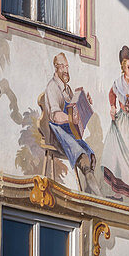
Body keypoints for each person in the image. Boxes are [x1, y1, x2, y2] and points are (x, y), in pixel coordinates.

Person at [99, 46, 129, 202]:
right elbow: (112, 94)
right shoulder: (118, 83)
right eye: (127, 67)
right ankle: (118, 194)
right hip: (121, 123)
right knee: (118, 156)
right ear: (122, 68)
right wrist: (112, 107)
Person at [42, 53, 96, 192]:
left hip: (68, 133)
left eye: (67, 66)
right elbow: (56, 116)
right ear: (56, 68)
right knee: (83, 159)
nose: (66, 70)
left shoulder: (68, 89)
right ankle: (96, 195)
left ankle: (90, 193)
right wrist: (71, 118)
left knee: (91, 157)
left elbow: (74, 110)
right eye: (62, 67)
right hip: (56, 134)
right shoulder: (52, 87)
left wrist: (85, 103)